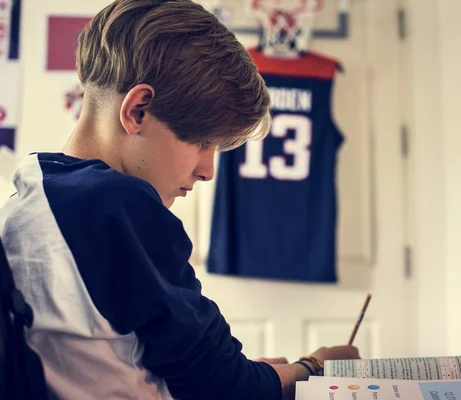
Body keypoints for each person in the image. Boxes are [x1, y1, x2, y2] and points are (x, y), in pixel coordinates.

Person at [0, 0, 359, 399]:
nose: (207, 170)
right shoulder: (119, 205)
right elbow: (226, 389)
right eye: (201, 142)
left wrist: (244, 371)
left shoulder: (33, 193)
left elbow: (116, 353)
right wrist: (311, 365)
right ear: (138, 110)